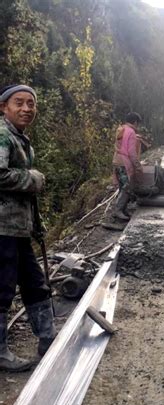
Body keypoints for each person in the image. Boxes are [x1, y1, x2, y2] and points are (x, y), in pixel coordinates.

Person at [0, 84, 57, 372]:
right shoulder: (2, 135)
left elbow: (25, 196)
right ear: (4, 108)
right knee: (2, 288)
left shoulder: (20, 139)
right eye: (19, 103)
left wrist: (37, 224)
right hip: (2, 229)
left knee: (35, 282)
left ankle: (48, 339)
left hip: (18, 228)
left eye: (31, 104)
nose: (26, 109)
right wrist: (33, 179)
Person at [112, 112, 143, 221]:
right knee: (127, 187)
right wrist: (138, 166)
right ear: (135, 122)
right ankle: (118, 210)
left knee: (122, 186)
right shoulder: (131, 132)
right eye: (137, 123)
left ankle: (123, 210)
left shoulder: (121, 129)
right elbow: (131, 152)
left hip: (117, 160)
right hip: (124, 162)